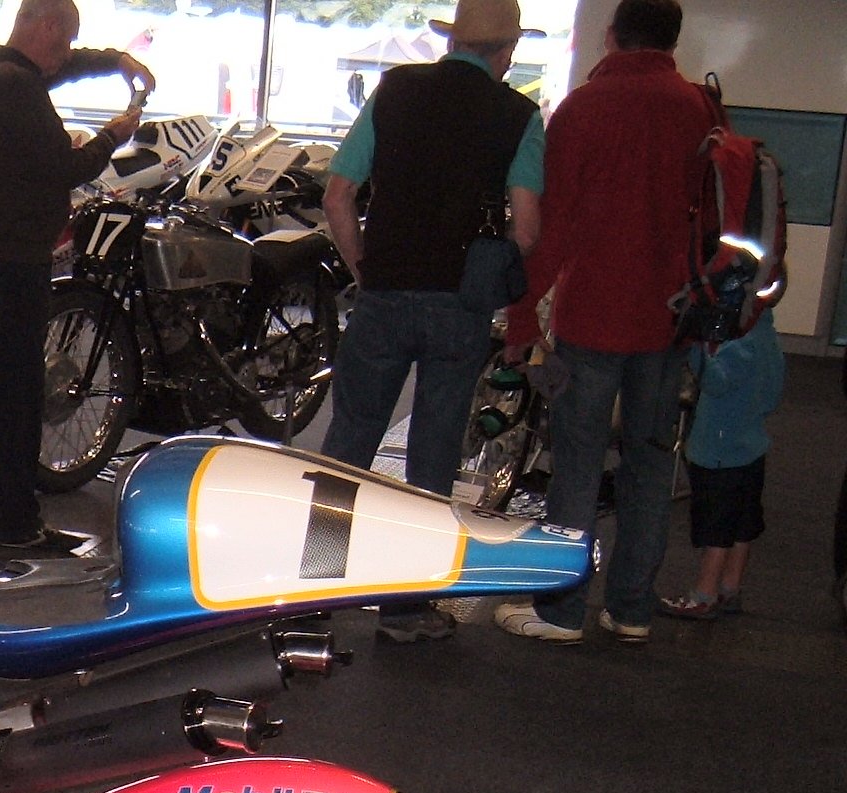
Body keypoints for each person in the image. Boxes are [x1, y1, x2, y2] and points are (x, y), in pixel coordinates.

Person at [316, 0, 543, 642]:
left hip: (384, 292)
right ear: (507, 52)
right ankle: (406, 609)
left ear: (451, 41)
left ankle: (312, 591)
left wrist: (364, 266)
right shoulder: (519, 116)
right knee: (432, 456)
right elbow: (527, 230)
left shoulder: (395, 91)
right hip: (459, 306)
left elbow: (338, 195)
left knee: (348, 444)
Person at [493, 0, 716, 645]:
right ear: (674, 40)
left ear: (613, 35)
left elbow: (553, 226)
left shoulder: (585, 109)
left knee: (578, 464)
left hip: (593, 315)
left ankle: (561, 610)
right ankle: (632, 609)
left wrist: (521, 317)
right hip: (670, 320)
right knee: (650, 464)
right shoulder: (699, 109)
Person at [0, 0, 149, 555]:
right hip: (14, 259)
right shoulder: (16, 87)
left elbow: (64, 67)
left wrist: (115, 61)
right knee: (18, 393)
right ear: (46, 27)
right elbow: (68, 167)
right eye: (66, 40)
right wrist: (112, 135)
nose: (67, 54)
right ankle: (17, 524)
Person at [658, 309, 782, 619]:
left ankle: (704, 595)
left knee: (716, 528)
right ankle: (730, 588)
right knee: (743, 525)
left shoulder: (739, 346)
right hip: (752, 447)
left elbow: (715, 382)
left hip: (719, 453)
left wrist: (695, 347)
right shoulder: (769, 339)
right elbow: (773, 395)